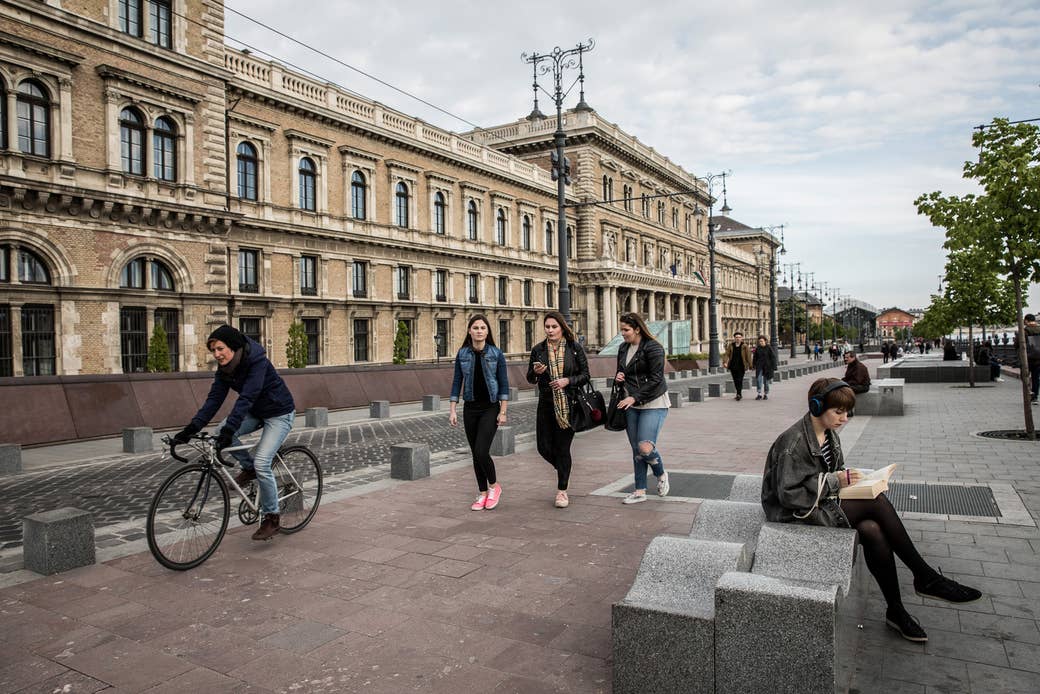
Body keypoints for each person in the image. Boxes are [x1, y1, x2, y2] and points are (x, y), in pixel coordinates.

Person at [761, 378, 982, 642]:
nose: (844, 418)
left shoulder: (829, 434)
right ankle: (925, 577)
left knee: (873, 530)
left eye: (847, 412)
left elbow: (833, 472)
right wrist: (835, 482)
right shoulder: (794, 442)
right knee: (876, 502)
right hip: (794, 514)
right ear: (817, 406)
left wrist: (850, 479)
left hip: (817, 503)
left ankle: (896, 610)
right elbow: (787, 495)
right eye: (838, 412)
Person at [173, 325, 296, 541]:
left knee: (262, 462)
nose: (216, 354)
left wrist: (231, 428)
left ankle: (272, 517)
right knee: (220, 432)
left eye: (220, 348)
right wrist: (191, 428)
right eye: (213, 350)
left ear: (234, 347)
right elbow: (213, 401)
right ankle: (248, 469)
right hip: (256, 412)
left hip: (279, 413)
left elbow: (247, 396)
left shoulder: (257, 362)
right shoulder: (225, 370)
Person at [527, 311, 591, 508]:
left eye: (554, 327)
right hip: (546, 404)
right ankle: (564, 468)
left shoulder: (574, 348)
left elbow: (586, 375)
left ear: (562, 328)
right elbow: (529, 378)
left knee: (563, 448)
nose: (550, 330)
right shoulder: (538, 350)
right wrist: (536, 374)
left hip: (568, 405)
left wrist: (567, 381)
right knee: (543, 447)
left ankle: (562, 490)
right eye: (547, 327)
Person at [450, 315, 509, 510]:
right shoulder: (462, 354)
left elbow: (503, 385)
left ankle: (494, 486)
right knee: (475, 455)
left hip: (490, 408)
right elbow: (457, 382)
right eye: (475, 327)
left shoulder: (496, 354)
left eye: (483, 328)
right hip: (470, 408)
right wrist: (453, 410)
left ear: (487, 331)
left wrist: (503, 411)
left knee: (481, 451)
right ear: (469, 331)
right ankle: (482, 493)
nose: (479, 331)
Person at [615, 312, 670, 505]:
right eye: (621, 329)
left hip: (654, 402)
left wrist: (635, 396)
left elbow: (656, 379)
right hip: (631, 403)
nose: (623, 333)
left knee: (645, 447)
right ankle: (640, 491)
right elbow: (623, 371)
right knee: (636, 450)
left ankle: (661, 473)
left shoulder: (653, 348)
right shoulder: (623, 348)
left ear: (637, 329)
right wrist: (620, 377)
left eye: (626, 330)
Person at [723, 332, 752, 401]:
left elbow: (748, 356)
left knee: (740, 380)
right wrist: (725, 362)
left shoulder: (744, 346)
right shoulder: (731, 345)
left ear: (742, 338)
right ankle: (738, 393)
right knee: (735, 380)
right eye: (736, 337)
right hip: (733, 365)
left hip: (742, 365)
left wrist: (750, 365)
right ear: (734, 338)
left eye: (739, 337)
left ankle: (739, 394)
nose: (738, 338)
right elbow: (727, 354)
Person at [752, 335, 777, 400]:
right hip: (759, 366)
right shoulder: (758, 348)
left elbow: (773, 357)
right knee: (758, 380)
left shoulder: (769, 348)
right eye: (759, 341)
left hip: (767, 367)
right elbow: (755, 358)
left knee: (766, 381)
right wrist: (753, 365)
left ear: (765, 341)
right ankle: (759, 394)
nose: (761, 342)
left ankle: (766, 394)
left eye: (762, 341)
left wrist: (774, 366)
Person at [1025, 314, 1040, 404]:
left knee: (1025, 376)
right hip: (1039, 357)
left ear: (1026, 320)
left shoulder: (1025, 330)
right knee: (1036, 377)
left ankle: (1029, 392)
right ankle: (1035, 396)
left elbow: (1018, 343)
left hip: (1028, 357)